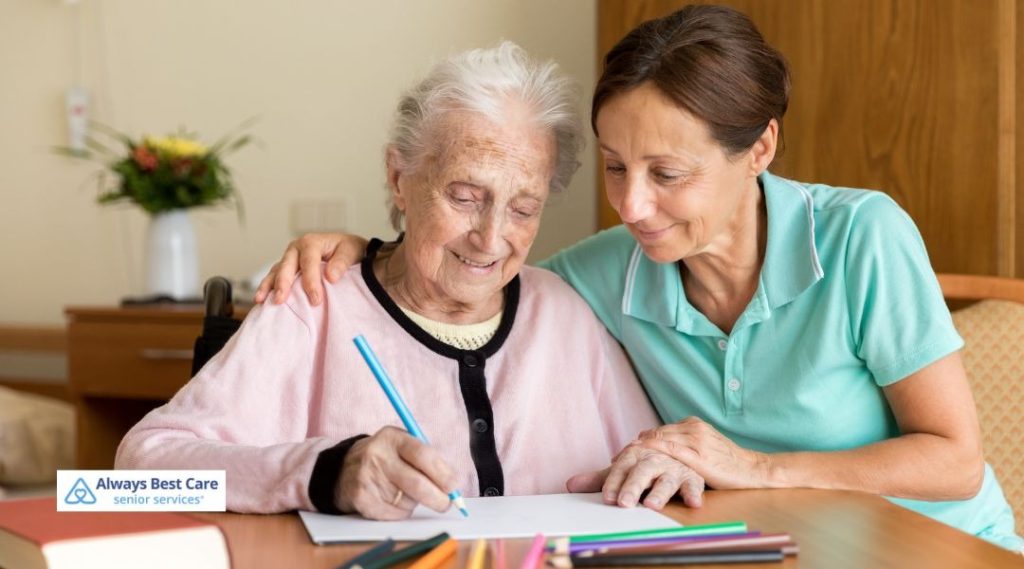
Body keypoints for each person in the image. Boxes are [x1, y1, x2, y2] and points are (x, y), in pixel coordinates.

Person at [256, 5, 1023, 550]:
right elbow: (476, 278)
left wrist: (752, 466)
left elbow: (953, 460)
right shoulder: (608, 269)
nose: (633, 204)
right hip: (775, 550)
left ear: (759, 149)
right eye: (617, 168)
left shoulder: (863, 237)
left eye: (667, 173)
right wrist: (373, 244)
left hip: (935, 546)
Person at [115, 41, 666, 520]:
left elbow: (655, 459)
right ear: (399, 178)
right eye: (465, 198)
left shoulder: (564, 314)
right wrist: (324, 473)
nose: (491, 237)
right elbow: (136, 478)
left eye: (524, 208)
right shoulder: (313, 303)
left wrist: (661, 470)